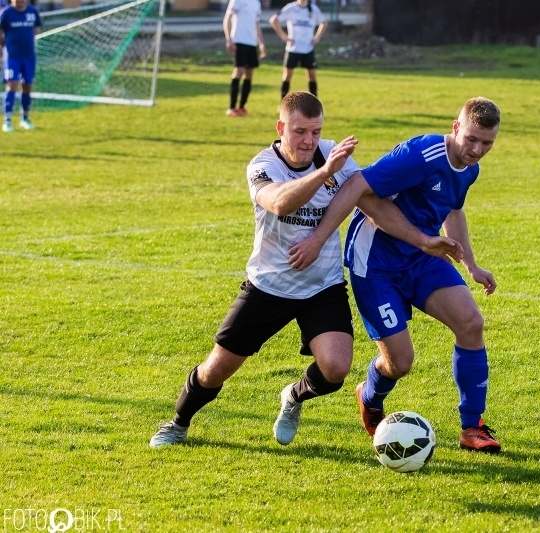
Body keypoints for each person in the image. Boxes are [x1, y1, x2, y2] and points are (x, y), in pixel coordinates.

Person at [150, 92, 459, 448]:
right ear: (281, 128)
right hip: (268, 286)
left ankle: (293, 397)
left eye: (315, 132)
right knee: (216, 369)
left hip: (321, 287)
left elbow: (373, 205)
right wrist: (326, 171)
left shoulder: (335, 156)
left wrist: (422, 240)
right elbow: (281, 203)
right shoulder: (263, 166)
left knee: (336, 369)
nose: (309, 141)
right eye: (300, 132)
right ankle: (177, 424)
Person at [289, 97, 503, 453]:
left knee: (471, 323)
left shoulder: (470, 167)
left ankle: (472, 427)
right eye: (472, 140)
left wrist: (471, 264)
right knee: (400, 363)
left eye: (487, 143)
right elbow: (357, 186)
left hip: (423, 256)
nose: (477, 150)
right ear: (455, 128)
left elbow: (453, 207)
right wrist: (317, 239)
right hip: (377, 262)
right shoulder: (422, 155)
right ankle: (370, 398)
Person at [269, 0, 327, 99]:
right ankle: (283, 103)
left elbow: (324, 22)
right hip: (293, 49)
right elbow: (274, 20)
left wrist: (317, 37)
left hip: (308, 49)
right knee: (287, 75)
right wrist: (284, 36)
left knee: (312, 75)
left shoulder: (313, 9)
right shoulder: (291, 8)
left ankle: (315, 104)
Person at [0, 0, 41, 133]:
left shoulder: (33, 12)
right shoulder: (6, 13)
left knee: (27, 86)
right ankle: (7, 121)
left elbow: (36, 30)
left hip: (29, 57)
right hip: (12, 57)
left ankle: (25, 118)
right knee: (12, 84)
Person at [222, 0, 266, 117]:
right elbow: (227, 18)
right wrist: (229, 39)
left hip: (251, 43)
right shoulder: (237, 1)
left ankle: (242, 107)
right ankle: (232, 107)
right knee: (238, 71)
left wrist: (261, 43)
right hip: (239, 41)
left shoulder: (256, 3)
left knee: (249, 74)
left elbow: (257, 25)